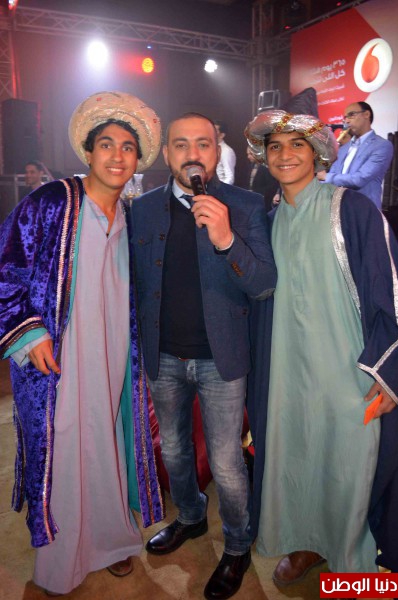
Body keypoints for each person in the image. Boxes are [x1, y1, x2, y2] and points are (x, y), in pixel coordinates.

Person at [0, 91, 164, 595]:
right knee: (65, 445)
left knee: (108, 440)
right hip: (58, 355)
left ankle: (112, 542)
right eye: (107, 144)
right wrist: (30, 332)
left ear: (138, 160)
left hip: (113, 351)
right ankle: (61, 560)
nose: (117, 156)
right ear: (89, 152)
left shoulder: (131, 216)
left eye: (128, 147)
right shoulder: (52, 201)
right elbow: (7, 268)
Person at [244, 109, 398, 581]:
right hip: (287, 372)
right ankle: (308, 543)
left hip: (349, 371)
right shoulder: (267, 222)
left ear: (317, 154)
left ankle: (352, 564)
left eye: (297, 145)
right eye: (275, 147)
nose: (285, 154)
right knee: (297, 456)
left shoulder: (351, 210)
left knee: (350, 464)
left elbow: (392, 293)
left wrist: (389, 375)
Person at [131, 112, 277, 600]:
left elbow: (264, 285)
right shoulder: (141, 209)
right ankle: (191, 517)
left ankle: (236, 544)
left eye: (203, 144)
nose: (192, 154)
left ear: (217, 151)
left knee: (226, 462)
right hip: (164, 356)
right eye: (181, 145)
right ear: (166, 153)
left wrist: (226, 239)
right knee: (173, 450)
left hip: (221, 358)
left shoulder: (246, 205)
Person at [317, 101, 394, 210]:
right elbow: (332, 179)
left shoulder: (382, 145)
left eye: (351, 115)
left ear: (366, 114)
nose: (347, 121)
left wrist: (326, 176)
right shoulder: (343, 148)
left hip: (364, 210)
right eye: (345, 117)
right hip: (338, 209)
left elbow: (359, 179)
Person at [246, 146, 280, 211]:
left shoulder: (267, 166)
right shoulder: (252, 165)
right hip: (252, 200)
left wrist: (256, 192)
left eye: (251, 154)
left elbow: (272, 186)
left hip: (264, 201)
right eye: (247, 154)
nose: (248, 156)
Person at [215, 120, 236, 184]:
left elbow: (230, 177)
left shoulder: (227, 151)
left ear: (222, 135)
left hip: (219, 188)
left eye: (215, 130)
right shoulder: (210, 148)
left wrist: (220, 189)